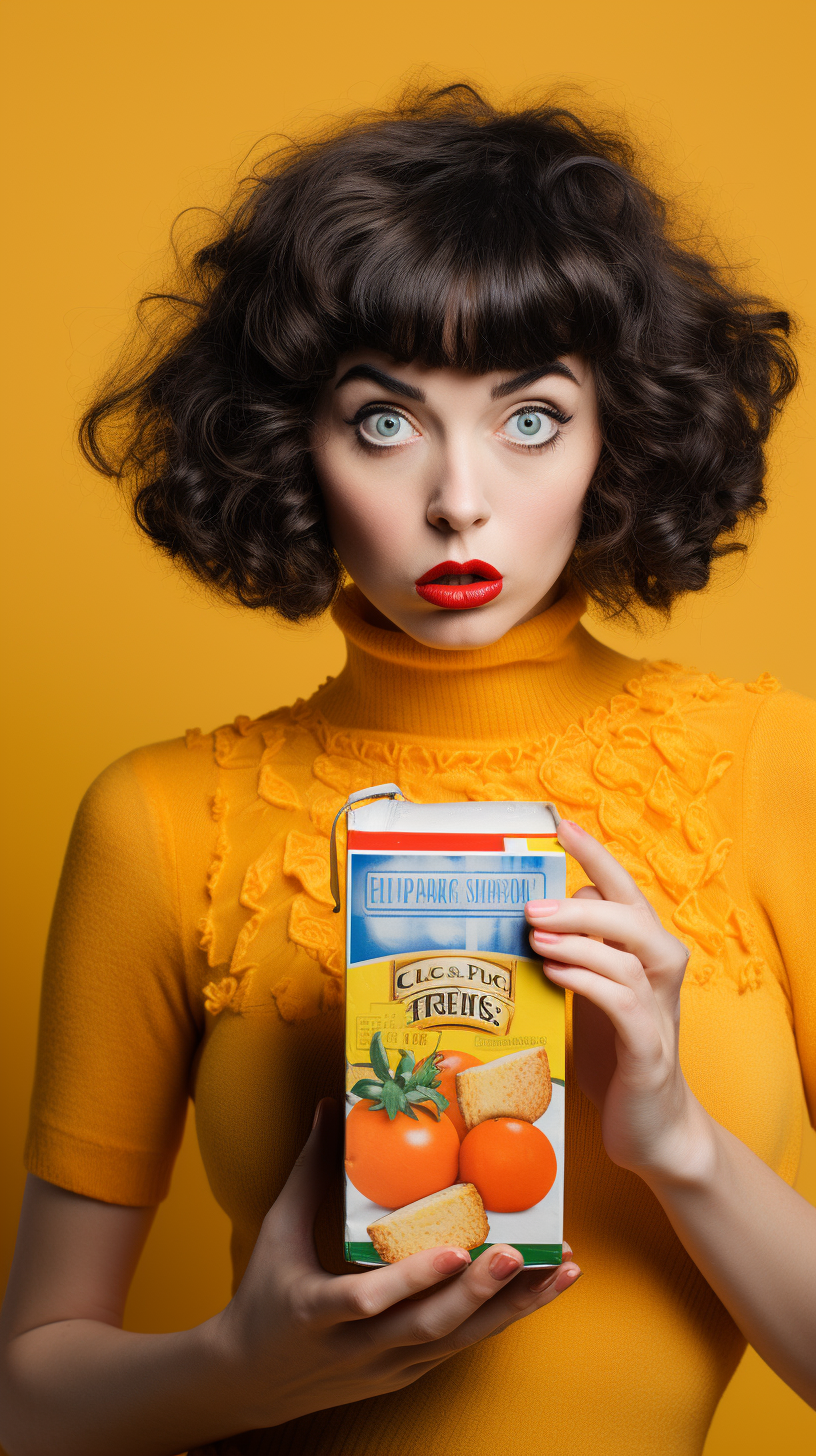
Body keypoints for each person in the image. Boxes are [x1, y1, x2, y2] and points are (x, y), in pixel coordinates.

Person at [0, 83, 813, 1456]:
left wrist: (674, 1139)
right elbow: (27, 1402)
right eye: (385, 420)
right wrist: (244, 1365)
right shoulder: (157, 817)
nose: (457, 496)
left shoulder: (774, 764)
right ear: (289, 446)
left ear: (619, 434)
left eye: (531, 418)